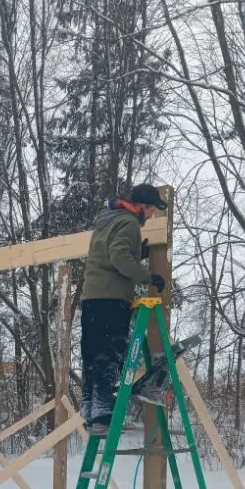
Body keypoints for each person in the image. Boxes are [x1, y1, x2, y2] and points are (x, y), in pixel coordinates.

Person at [80, 183, 169, 433]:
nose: (151, 216)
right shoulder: (129, 223)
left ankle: (91, 410)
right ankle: (104, 415)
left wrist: (135, 253)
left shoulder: (108, 221)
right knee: (109, 354)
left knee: (93, 355)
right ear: (143, 206)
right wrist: (148, 276)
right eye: (152, 211)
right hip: (111, 298)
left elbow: (108, 253)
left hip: (92, 297)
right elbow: (118, 257)